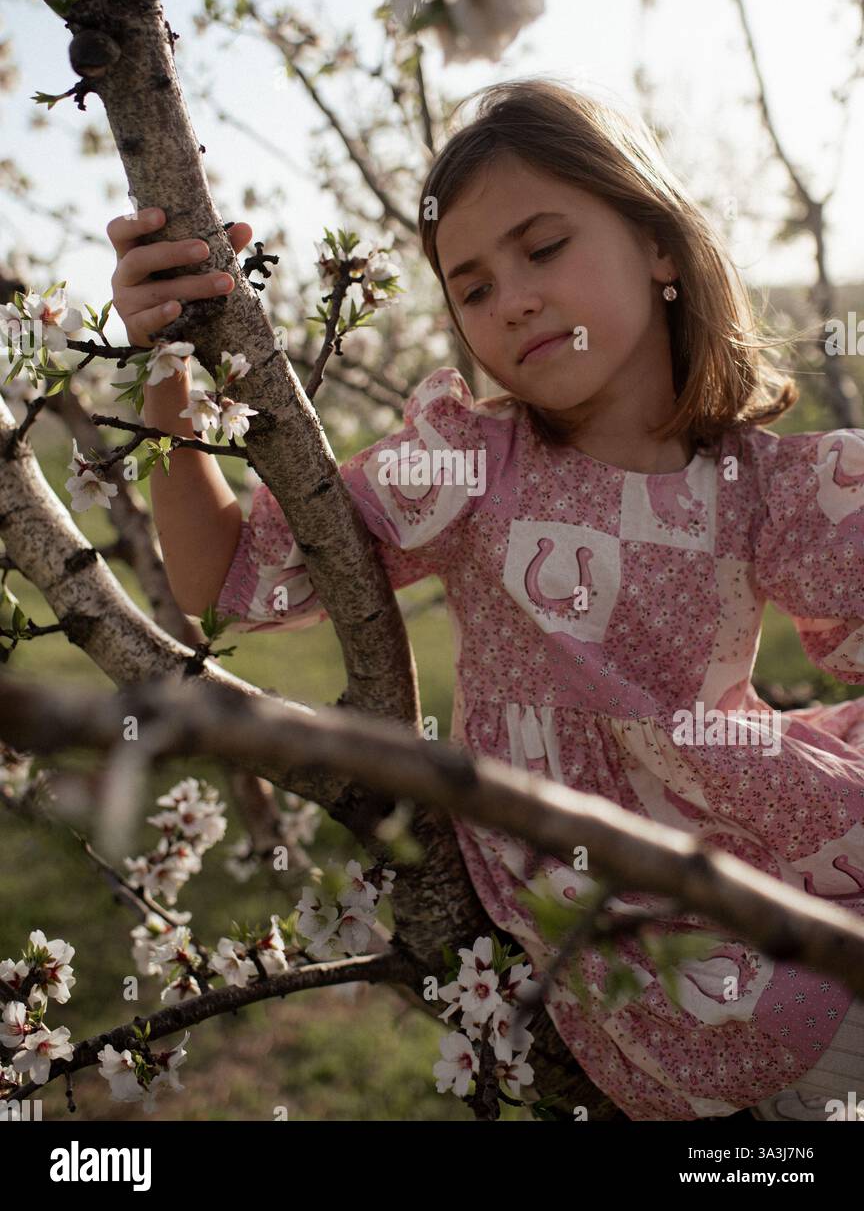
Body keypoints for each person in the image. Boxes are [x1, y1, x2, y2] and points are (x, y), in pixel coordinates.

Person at [107, 77, 864, 1122]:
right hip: (624, 906)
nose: (510, 297)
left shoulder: (761, 484)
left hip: (756, 823)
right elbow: (226, 577)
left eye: (544, 248)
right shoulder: (473, 468)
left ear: (656, 243)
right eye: (471, 286)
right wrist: (167, 369)